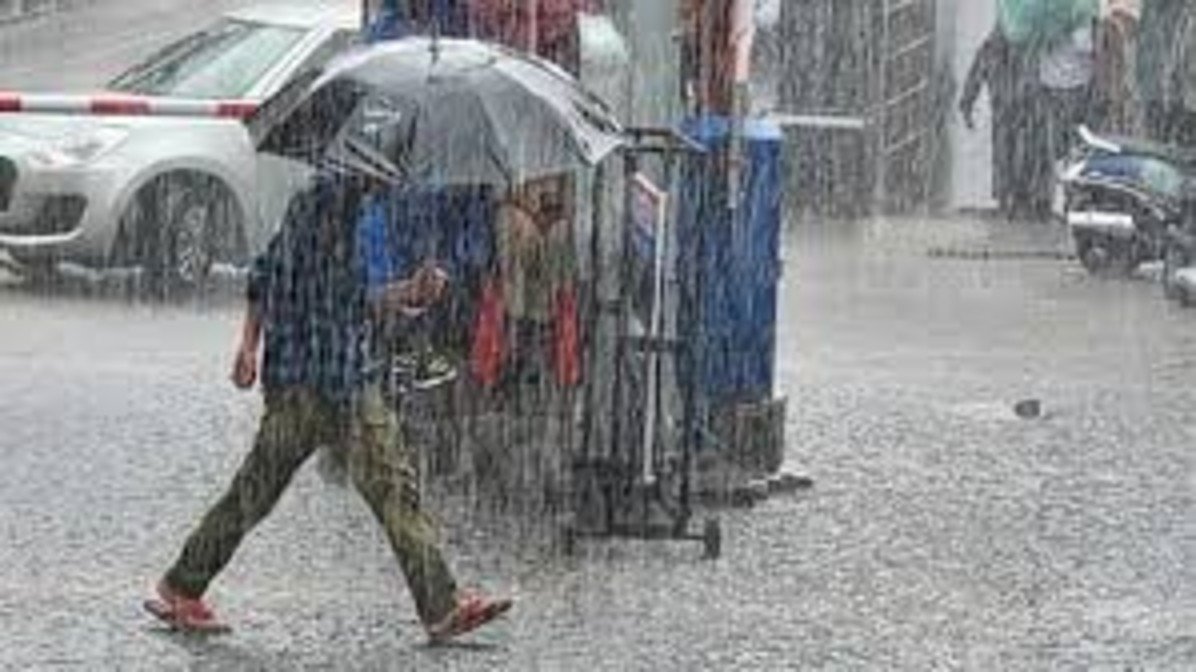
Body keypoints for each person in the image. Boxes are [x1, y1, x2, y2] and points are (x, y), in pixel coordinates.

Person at [144, 174, 511, 640]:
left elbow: (271, 277)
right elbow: (343, 294)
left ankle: (441, 604)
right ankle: (182, 585)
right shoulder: (333, 209)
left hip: (331, 380)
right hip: (319, 383)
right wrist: (409, 293)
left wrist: (249, 344)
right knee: (275, 492)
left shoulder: (340, 206)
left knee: (379, 490)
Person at [959, 26, 1042, 218]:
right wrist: (967, 103)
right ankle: (1017, 198)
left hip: (1013, 110)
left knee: (1009, 154)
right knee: (1016, 154)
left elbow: (976, 74)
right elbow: (977, 73)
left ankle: (1012, 198)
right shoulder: (1024, 45)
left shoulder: (996, 45)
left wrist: (967, 103)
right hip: (1019, 110)